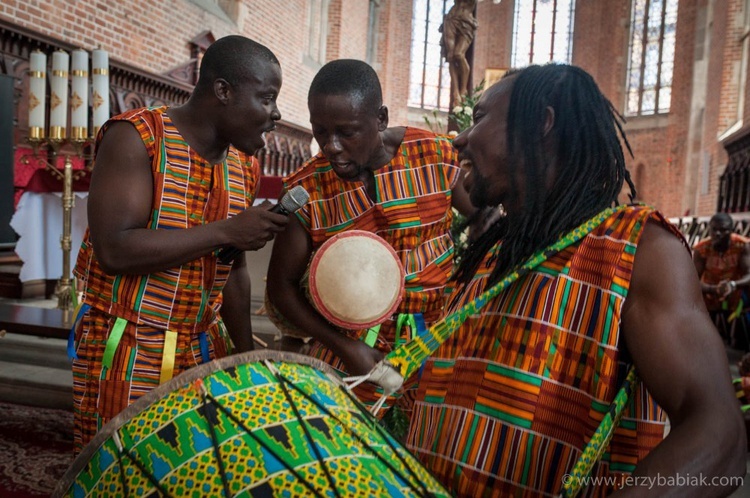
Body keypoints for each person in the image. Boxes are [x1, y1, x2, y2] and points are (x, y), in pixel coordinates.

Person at [405, 64, 746, 496]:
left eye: (479, 119)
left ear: (541, 123)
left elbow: (720, 436)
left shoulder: (638, 249)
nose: (460, 139)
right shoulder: (493, 253)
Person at [70, 35, 288, 453]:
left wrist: (244, 363)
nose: (275, 113)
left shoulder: (245, 166)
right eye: (266, 98)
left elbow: (234, 272)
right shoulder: (136, 137)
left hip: (206, 347)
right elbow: (114, 250)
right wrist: (226, 230)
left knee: (199, 470)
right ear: (223, 91)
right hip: (130, 347)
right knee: (124, 472)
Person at [265, 59, 474, 421]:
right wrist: (344, 346)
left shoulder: (433, 155)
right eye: (320, 132)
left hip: (437, 344)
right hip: (350, 353)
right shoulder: (307, 188)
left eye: (347, 132)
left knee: (427, 454)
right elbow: (281, 288)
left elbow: (484, 214)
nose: (330, 147)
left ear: (380, 119)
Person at [694, 212, 750, 350]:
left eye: (723, 230)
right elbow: (692, 280)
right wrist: (712, 289)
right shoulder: (701, 249)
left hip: (734, 297)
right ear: (709, 229)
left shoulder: (742, 245)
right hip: (709, 296)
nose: (718, 234)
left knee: (737, 345)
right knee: (706, 344)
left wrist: (733, 285)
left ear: (731, 230)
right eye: (714, 229)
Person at [440, 0, 478, 106]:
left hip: (466, 21)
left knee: (459, 54)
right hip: (451, 18)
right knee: (451, 56)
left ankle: (463, 90)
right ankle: (455, 92)